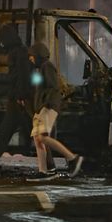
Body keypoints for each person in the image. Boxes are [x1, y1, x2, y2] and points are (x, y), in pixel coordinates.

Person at [0, 24, 56, 178]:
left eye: (2, 38)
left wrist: (20, 97)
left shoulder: (17, 53)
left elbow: (21, 77)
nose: (0, 42)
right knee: (22, 134)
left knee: (29, 134)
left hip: (19, 102)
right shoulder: (19, 51)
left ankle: (51, 167)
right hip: (19, 101)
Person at [26, 42, 83, 181]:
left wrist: (45, 104)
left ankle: (72, 158)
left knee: (42, 138)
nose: (30, 59)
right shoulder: (41, 68)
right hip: (42, 108)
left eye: (31, 56)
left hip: (48, 107)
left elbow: (52, 87)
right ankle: (43, 171)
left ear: (38, 54)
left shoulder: (47, 66)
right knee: (38, 139)